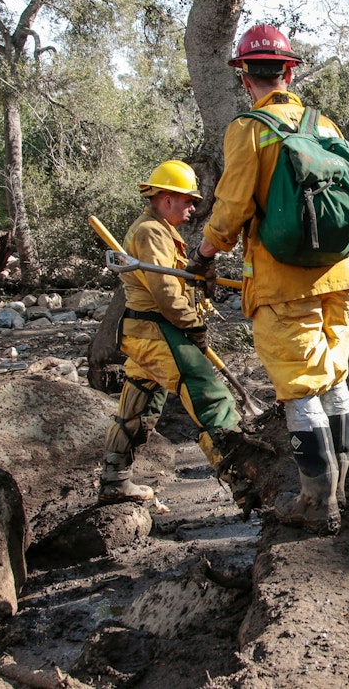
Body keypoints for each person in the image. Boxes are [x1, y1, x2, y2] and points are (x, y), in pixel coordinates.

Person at [186, 24, 349, 536]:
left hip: (284, 282)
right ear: (289, 71)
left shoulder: (250, 127)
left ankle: (317, 502)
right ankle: (342, 491)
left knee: (299, 387)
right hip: (342, 275)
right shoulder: (325, 124)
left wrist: (205, 251)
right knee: (335, 379)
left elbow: (234, 205)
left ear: (245, 75)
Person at [98, 160, 241, 504]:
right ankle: (247, 481)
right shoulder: (151, 232)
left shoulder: (155, 230)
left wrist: (196, 272)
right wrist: (193, 325)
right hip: (157, 332)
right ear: (165, 199)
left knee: (138, 403)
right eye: (187, 200)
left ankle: (115, 479)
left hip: (142, 333)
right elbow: (164, 291)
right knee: (211, 398)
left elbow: (170, 278)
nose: (192, 208)